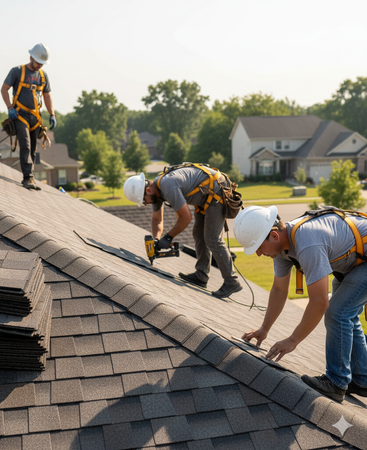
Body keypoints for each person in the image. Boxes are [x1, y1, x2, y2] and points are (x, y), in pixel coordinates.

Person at [233, 205, 367, 402]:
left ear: (274, 235)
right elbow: (279, 289)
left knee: (338, 312)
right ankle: (362, 379)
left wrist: (293, 340)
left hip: (361, 262)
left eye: (259, 247)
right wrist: (264, 328)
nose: (259, 254)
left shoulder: (307, 243)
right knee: (346, 314)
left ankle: (336, 381)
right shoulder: (282, 250)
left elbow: (320, 302)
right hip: (354, 262)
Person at [123, 165, 242, 298]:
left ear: (148, 190)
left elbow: (185, 217)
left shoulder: (168, 186)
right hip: (205, 195)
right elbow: (157, 220)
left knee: (212, 237)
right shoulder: (156, 192)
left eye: (144, 201)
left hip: (217, 190)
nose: (146, 204)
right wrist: (156, 240)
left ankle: (232, 281)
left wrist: (168, 237)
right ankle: (201, 275)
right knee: (198, 233)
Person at [1, 43, 56, 190]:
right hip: (20, 115)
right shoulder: (17, 71)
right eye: (38, 62)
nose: (39, 66)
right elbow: (4, 89)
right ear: (31, 57)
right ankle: (28, 178)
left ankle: (31, 176)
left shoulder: (43, 76)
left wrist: (52, 114)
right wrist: (10, 107)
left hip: (35, 118)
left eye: (42, 64)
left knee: (32, 148)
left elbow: (47, 95)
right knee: (24, 145)